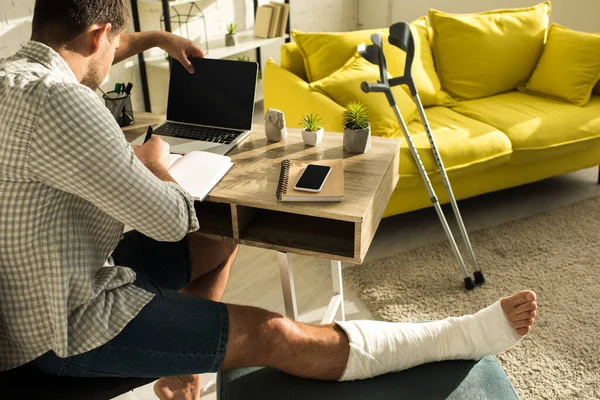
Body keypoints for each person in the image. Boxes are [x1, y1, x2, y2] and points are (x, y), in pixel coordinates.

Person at [0, 1, 537, 400]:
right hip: (65, 322)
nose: (118, 53)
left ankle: (184, 376)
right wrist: (155, 163)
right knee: (269, 330)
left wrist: (159, 39)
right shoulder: (67, 102)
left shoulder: (12, 77)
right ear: (99, 35)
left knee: (218, 235)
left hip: (53, 278)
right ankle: (458, 336)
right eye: (116, 44)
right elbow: (168, 221)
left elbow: (99, 49)